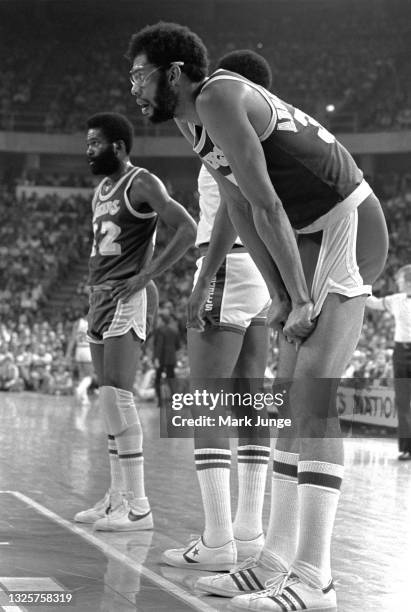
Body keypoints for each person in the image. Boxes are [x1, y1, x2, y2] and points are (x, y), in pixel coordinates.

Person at [126, 24, 388, 611]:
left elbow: (267, 202)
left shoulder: (218, 95)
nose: (134, 86)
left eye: (140, 73)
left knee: (306, 397)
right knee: (285, 397)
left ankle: (314, 578)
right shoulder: (190, 118)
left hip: (347, 224)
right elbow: (239, 206)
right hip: (306, 239)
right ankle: (271, 558)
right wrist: (280, 293)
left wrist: (297, 296)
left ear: (174, 73)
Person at [161, 50, 272, 572]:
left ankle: (217, 539)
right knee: (251, 396)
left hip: (226, 261)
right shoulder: (267, 131)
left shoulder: (222, 125)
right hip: (262, 270)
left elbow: (233, 202)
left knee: (204, 398)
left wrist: (203, 276)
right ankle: (249, 532)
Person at [73, 112, 196, 532]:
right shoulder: (99, 191)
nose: (88, 150)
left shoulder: (142, 182)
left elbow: (186, 227)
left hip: (129, 296)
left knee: (117, 397)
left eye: (94, 143)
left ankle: (140, 506)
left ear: (118, 147)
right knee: (109, 404)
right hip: (100, 298)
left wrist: (147, 276)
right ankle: (116, 499)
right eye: (87, 143)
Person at [366, 264, 411, 460]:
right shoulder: (395, 300)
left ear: (408, 281)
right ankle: (407, 448)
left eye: (400, 280)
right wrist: (359, 288)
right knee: (403, 402)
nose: (397, 283)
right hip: (401, 353)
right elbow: (374, 303)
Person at [153, 312, 180, 407]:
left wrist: (156, 358)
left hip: (161, 358)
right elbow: (178, 346)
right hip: (171, 358)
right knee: (171, 379)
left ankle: (160, 401)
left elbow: (159, 346)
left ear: (162, 321)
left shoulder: (159, 331)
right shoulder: (174, 331)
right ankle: (175, 399)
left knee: (158, 379)